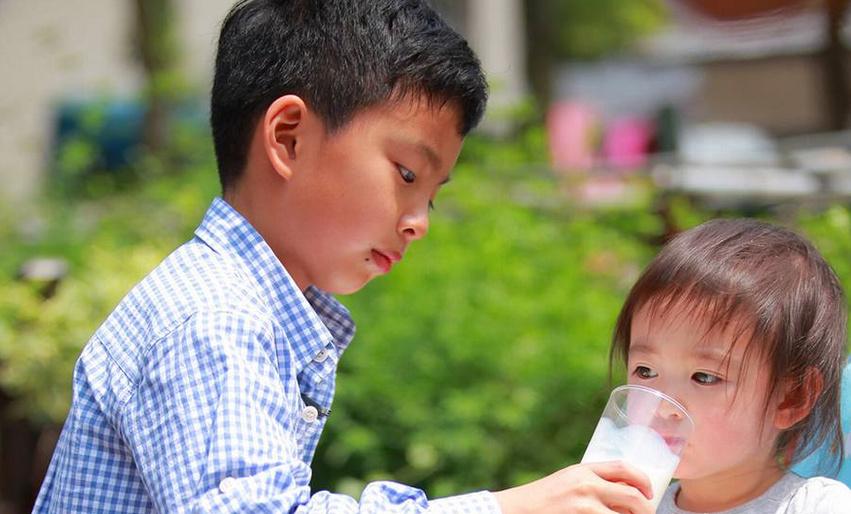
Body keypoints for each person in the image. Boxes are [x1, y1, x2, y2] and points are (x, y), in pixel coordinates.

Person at [34, 1, 656, 512]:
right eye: (407, 173)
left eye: (432, 199)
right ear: (288, 138)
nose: (418, 224)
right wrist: (510, 508)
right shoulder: (215, 317)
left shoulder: (245, 306)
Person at [609, 218, 851, 513]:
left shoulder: (815, 506)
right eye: (645, 371)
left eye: (704, 377)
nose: (664, 405)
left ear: (791, 398)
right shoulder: (629, 504)